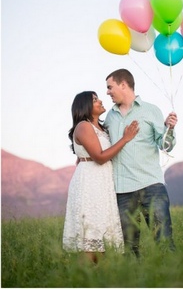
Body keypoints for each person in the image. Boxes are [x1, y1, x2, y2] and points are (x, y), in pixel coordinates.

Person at [104, 68, 178, 256]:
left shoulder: (151, 110)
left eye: (110, 87)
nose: (107, 92)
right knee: (129, 249)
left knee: (163, 242)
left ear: (123, 85)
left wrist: (169, 128)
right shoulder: (109, 118)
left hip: (151, 186)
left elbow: (165, 146)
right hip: (122, 192)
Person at [62, 91, 139, 263]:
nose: (100, 101)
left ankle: (96, 278)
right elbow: (100, 157)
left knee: (99, 234)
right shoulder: (83, 126)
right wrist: (125, 139)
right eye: (95, 100)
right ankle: (84, 279)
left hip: (101, 182)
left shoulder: (102, 129)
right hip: (89, 183)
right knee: (90, 234)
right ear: (85, 106)